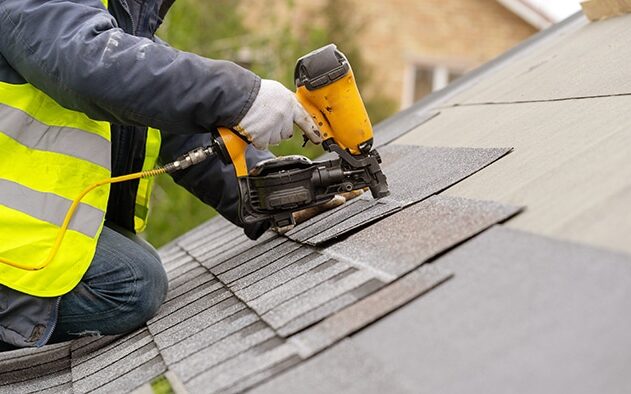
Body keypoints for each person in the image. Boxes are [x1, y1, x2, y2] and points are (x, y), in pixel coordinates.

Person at [0, 0, 323, 350]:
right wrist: (239, 95)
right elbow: (91, 63)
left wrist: (273, 189)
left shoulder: (119, 20)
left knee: (139, 264)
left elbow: (179, 125)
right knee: (131, 282)